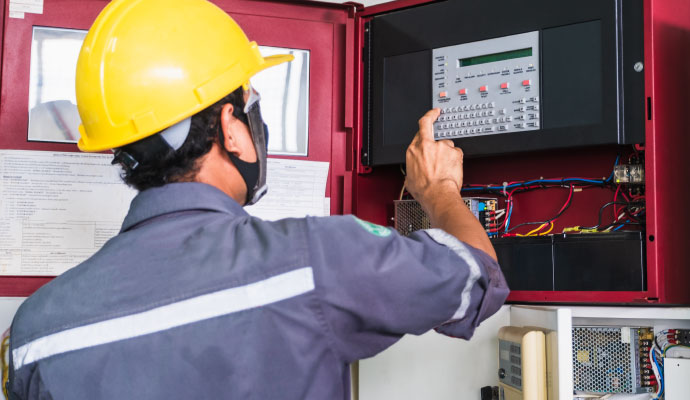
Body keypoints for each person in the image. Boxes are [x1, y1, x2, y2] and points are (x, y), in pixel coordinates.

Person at [7, 0, 508, 399]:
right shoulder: (312, 259)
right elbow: (478, 277)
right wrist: (438, 189)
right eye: (250, 107)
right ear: (230, 127)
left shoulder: (35, 330)